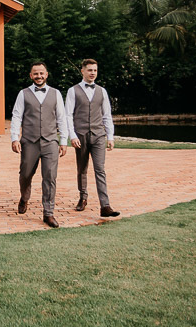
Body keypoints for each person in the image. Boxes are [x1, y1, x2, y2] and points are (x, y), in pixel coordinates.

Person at [10, 61, 68, 228]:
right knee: (25, 174)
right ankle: (24, 197)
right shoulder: (23, 94)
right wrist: (15, 138)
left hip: (50, 140)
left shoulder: (56, 93)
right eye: (35, 73)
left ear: (46, 74)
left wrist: (63, 141)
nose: (39, 76)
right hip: (29, 141)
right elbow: (16, 116)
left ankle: (48, 213)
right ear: (31, 75)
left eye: (41, 73)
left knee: (50, 177)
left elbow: (61, 118)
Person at [66, 58, 120, 218]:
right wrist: (72, 135)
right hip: (80, 135)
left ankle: (105, 205)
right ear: (82, 71)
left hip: (98, 135)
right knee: (82, 169)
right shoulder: (72, 91)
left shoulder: (102, 91)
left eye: (95, 70)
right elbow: (68, 115)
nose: (92, 73)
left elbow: (107, 115)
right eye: (89, 70)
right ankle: (83, 197)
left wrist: (110, 136)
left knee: (100, 169)